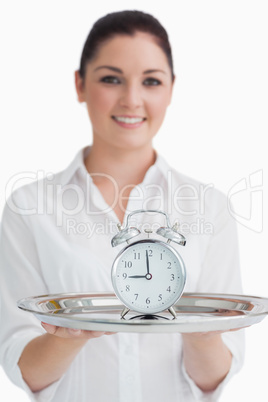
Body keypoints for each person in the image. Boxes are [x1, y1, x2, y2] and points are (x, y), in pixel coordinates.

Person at [0, 10, 244, 402]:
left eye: (151, 81)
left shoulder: (208, 208)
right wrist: (70, 337)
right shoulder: (29, 208)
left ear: (170, 89)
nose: (132, 99)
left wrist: (202, 329)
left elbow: (213, 378)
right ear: (79, 84)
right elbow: (22, 366)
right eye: (111, 79)